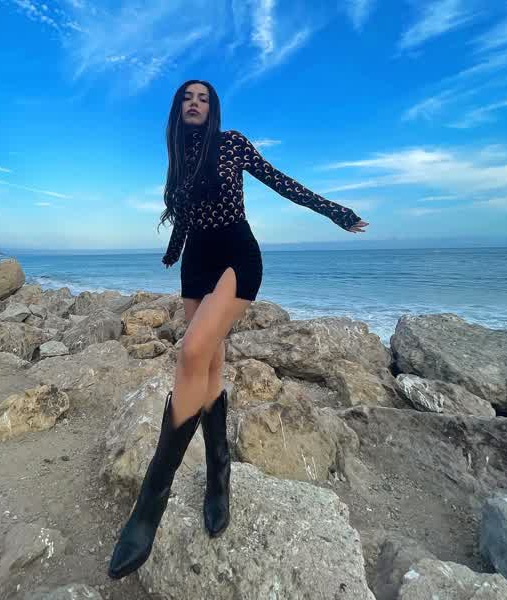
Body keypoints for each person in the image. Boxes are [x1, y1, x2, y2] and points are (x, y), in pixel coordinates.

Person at [108, 79, 368, 580]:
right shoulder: (178, 160)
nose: (195, 104)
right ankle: (218, 476)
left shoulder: (232, 144)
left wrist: (336, 213)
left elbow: (281, 181)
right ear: (178, 110)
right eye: (188, 98)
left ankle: (149, 504)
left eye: (203, 99)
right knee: (207, 365)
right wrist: (172, 252)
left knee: (190, 353)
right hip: (196, 265)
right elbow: (185, 217)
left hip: (236, 257)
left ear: (213, 109)